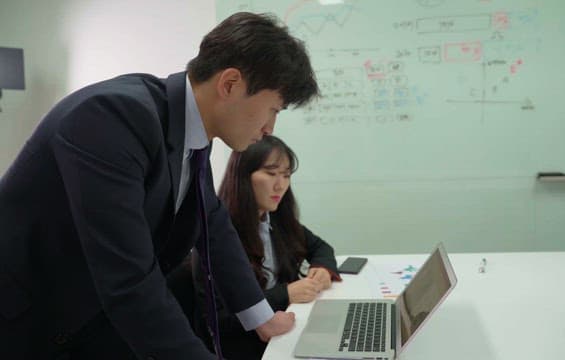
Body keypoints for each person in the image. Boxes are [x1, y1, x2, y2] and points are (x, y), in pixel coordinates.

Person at [0, 12, 318, 360]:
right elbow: (129, 276)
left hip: (92, 314)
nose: (270, 127)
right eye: (272, 109)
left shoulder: (191, 130)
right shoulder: (113, 116)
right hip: (28, 321)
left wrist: (261, 318)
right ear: (229, 84)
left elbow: (211, 222)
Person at [211, 135, 341, 359]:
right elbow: (220, 320)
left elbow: (321, 247)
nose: (280, 185)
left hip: (283, 333)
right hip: (248, 348)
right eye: (271, 174)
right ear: (242, 177)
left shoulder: (276, 219)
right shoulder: (220, 235)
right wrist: (286, 293)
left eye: (286, 175)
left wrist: (322, 268)